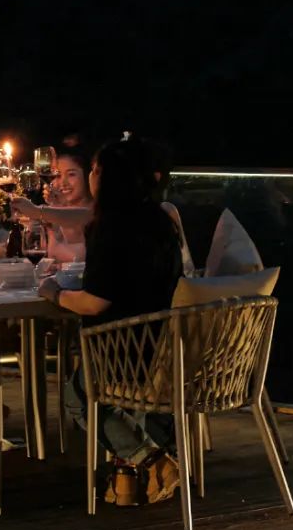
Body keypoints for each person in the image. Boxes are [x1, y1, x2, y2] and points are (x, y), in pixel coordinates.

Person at [35, 134, 183, 505]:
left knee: (79, 396)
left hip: (123, 354)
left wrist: (51, 291)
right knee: (105, 395)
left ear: (110, 177)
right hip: (166, 348)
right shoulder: (161, 222)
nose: (92, 177)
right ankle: (132, 482)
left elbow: (93, 303)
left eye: (96, 170)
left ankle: (152, 461)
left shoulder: (111, 227)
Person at [11, 144, 93, 265]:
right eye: (58, 175)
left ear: (87, 175)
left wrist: (38, 211)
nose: (63, 183)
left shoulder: (99, 211)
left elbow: (77, 226)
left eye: (71, 174)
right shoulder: (52, 211)